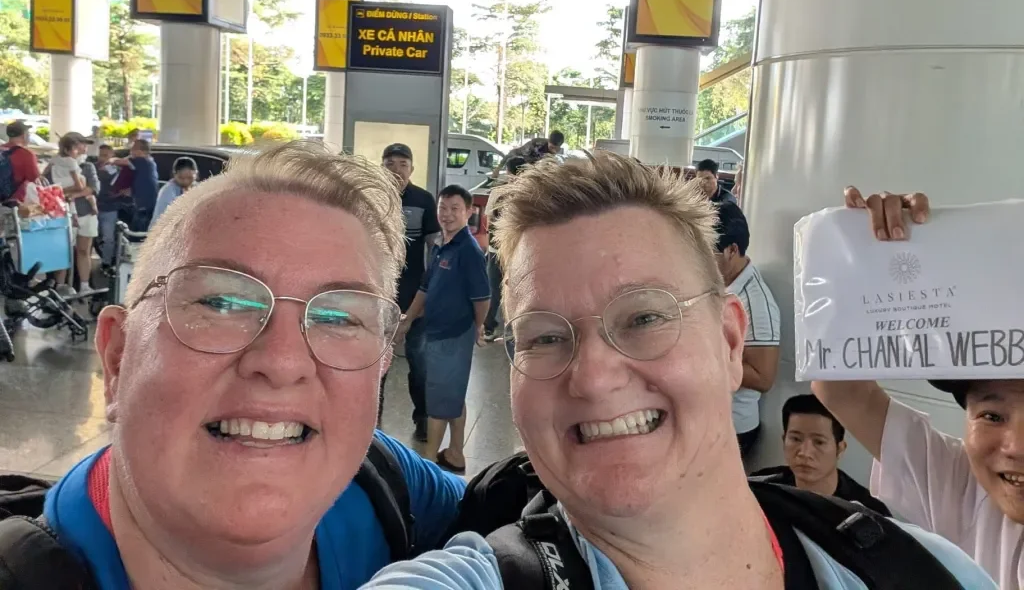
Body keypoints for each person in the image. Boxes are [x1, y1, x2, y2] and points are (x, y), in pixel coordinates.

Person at [363, 152, 995, 590]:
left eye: (643, 318)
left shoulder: (919, 571)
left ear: (729, 341)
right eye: (546, 337)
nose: (594, 377)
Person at [0, 142, 465, 589]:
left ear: (380, 363)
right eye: (222, 303)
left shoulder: (382, 481)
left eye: (339, 317)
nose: (282, 361)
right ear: (118, 356)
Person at [813, 186, 1024, 588]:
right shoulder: (961, 487)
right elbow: (840, 389)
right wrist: (871, 255)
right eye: (992, 416)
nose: (1016, 446)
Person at [397, 184, 489, 473]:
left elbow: (483, 297)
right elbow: (425, 288)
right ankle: (456, 453)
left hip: (453, 334)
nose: (447, 215)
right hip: (437, 331)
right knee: (453, 393)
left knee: (438, 399)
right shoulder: (442, 244)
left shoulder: (468, 250)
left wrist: (477, 327)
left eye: (455, 209)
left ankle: (428, 462)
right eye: (443, 208)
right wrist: (408, 319)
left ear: (469, 212)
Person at [381, 143, 442, 440]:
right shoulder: (371, 197)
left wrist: (433, 291)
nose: (396, 170)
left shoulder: (423, 200)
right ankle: (371, 425)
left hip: (416, 296)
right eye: (390, 163)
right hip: (380, 295)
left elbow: (435, 247)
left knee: (420, 363)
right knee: (376, 363)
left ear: (412, 169)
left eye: (402, 164)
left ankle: (423, 420)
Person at [715, 202, 781, 461]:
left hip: (735, 428)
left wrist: (706, 359)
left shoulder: (755, 301)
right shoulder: (723, 282)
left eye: (708, 252)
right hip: (714, 418)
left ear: (732, 250)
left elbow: (764, 377)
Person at [752, 394, 891, 516]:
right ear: (784, 440)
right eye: (795, 439)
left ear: (840, 449)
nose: (805, 453)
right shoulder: (761, 486)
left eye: (819, 442)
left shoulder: (868, 512)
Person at [45, 133, 100, 296]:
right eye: (82, 144)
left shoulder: (87, 166)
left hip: (86, 213)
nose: (85, 147)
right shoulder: (55, 165)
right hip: (64, 214)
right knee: (63, 251)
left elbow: (93, 188)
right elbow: (49, 189)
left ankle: (84, 285)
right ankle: (60, 286)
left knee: (84, 250)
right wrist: (72, 192)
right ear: (71, 147)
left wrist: (72, 195)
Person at [482, 156, 527, 343]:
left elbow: (489, 221)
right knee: (516, 289)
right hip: (519, 250)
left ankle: (489, 327)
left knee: (493, 288)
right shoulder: (528, 192)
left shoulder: (498, 191)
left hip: (497, 249)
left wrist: (489, 244)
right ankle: (513, 329)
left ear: (507, 172)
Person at [112, 138, 159, 231]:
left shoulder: (140, 161)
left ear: (140, 151)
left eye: (133, 148)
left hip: (143, 207)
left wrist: (110, 160)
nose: (131, 150)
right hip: (148, 205)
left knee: (137, 234)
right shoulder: (150, 163)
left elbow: (120, 161)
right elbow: (142, 183)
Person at [95, 144, 127, 269]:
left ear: (112, 155)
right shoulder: (93, 168)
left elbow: (126, 185)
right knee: (95, 237)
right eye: (100, 155)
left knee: (108, 237)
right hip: (93, 208)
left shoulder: (118, 170)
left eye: (105, 155)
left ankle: (107, 263)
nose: (102, 158)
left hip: (110, 208)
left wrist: (118, 194)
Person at [149, 156, 197, 228]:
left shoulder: (197, 187)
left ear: (196, 174)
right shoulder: (168, 192)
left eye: (189, 178)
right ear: (174, 175)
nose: (185, 181)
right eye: (181, 178)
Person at [0, 120, 40, 203]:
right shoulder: (27, 154)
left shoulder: (1, 149)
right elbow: (35, 179)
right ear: (24, 135)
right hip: (14, 202)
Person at [496, 131, 564, 172]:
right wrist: (498, 168)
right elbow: (514, 153)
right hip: (523, 164)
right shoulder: (536, 144)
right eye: (551, 147)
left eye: (556, 148)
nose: (553, 150)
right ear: (548, 141)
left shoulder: (558, 153)